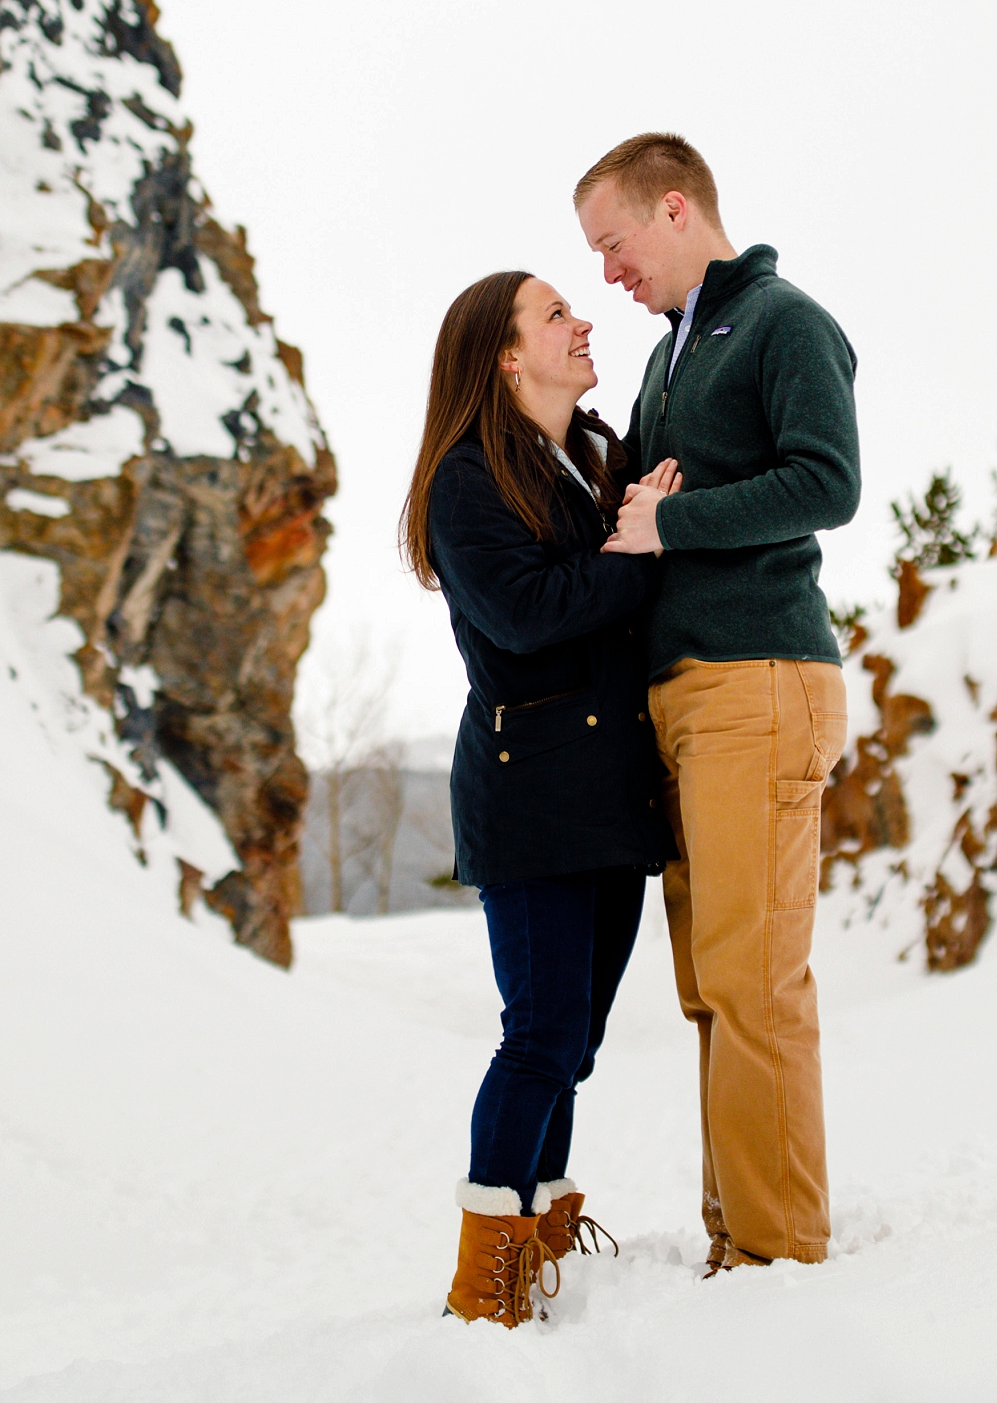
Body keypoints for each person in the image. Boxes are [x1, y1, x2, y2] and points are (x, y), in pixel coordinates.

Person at [576, 133, 858, 1272]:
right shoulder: (665, 355)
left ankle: (778, 1252)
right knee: (710, 984)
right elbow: (637, 487)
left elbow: (827, 479)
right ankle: (736, 1232)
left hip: (759, 674)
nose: (607, 272)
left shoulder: (785, 321)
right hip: (686, 691)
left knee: (751, 978)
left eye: (613, 242)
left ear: (675, 207)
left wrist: (672, 521)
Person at [403, 269, 681, 1327]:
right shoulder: (464, 478)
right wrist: (637, 548)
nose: (582, 322)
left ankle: (545, 1231)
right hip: (529, 791)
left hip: (610, 788)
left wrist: (641, 518)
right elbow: (523, 614)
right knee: (540, 1031)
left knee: (579, 1038)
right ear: (506, 354)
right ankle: (486, 1280)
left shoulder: (597, 452)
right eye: (556, 312)